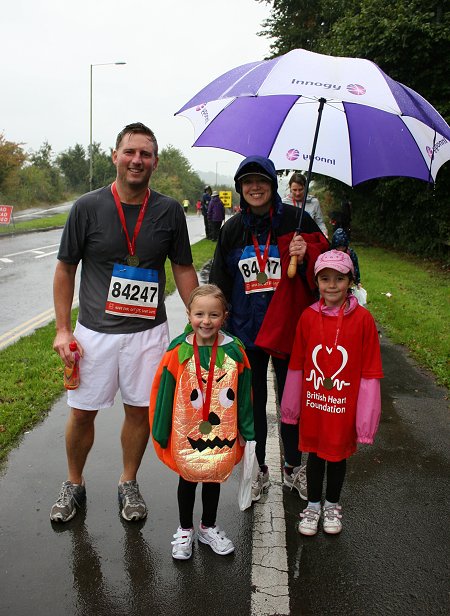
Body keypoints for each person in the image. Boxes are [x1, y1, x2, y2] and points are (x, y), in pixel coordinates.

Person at [50, 122, 198, 523]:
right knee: (82, 413)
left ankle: (128, 483)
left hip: (148, 335)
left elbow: (183, 268)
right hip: (94, 333)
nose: (137, 160)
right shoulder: (87, 207)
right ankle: (73, 483)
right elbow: (66, 268)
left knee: (140, 413)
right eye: (130, 152)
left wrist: (198, 315)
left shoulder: (168, 211)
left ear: (155, 162)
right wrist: (63, 329)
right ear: (115, 156)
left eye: (145, 154)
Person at [209, 155, 329, 502]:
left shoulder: (296, 219)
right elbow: (219, 280)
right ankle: (259, 468)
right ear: (240, 188)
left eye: (261, 180)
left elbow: (330, 266)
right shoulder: (232, 229)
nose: (255, 187)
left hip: (289, 330)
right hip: (247, 335)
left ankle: (293, 468)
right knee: (252, 402)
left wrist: (307, 252)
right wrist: (215, 326)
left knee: (291, 404)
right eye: (247, 182)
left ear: (272, 185)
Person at [281, 250, 383, 536]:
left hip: (343, 406)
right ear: (316, 282)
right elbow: (298, 364)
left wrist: (365, 419)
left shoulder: (363, 320)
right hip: (315, 405)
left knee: (337, 457)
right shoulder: (307, 317)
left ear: (350, 280)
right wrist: (290, 408)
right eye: (325, 278)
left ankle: (332, 505)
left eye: (339, 278)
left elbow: (371, 371)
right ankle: (313, 505)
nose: (332, 285)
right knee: (314, 455)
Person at [149, 284, 255, 560]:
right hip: (187, 431)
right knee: (188, 478)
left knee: (213, 477)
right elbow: (164, 392)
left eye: (213, 315)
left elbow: (244, 394)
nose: (205, 321)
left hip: (222, 430)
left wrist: (247, 430)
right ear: (188, 315)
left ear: (224, 316)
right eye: (199, 314)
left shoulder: (235, 352)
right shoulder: (177, 352)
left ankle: (208, 526)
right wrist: (162, 432)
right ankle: (185, 529)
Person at [282, 172, 328, 238]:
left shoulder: (314, 202)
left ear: (305, 188)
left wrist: (324, 233)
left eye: (300, 189)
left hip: (310, 239)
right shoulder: (283, 203)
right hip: (290, 241)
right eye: (294, 190)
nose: (297, 193)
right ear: (290, 188)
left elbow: (320, 222)